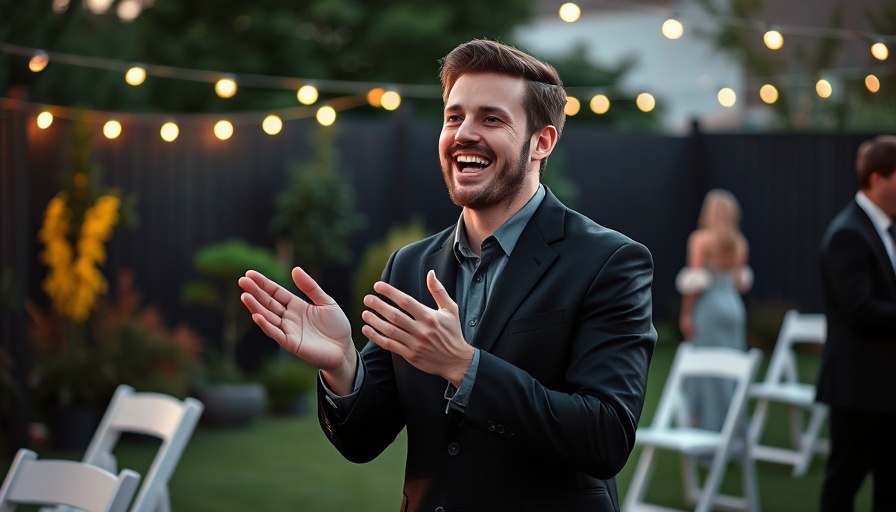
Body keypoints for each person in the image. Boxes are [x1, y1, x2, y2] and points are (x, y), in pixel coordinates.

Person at [238, 38, 656, 512]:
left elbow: (605, 437)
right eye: (454, 116)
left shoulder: (610, 261)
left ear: (542, 141)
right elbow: (362, 441)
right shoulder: (410, 265)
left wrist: (464, 366)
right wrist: (341, 366)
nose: (463, 133)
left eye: (491, 118)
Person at [816, 135, 896, 512]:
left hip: (886, 386)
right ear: (878, 178)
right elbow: (859, 311)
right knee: (844, 483)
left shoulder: (885, 229)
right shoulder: (848, 232)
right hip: (859, 387)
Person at [676, 189, 752, 432]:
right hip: (734, 307)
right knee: (732, 373)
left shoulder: (701, 239)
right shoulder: (740, 243)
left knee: (707, 371)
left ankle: (709, 434)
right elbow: (739, 283)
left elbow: (695, 282)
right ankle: (733, 435)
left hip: (710, 307)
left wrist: (686, 313)